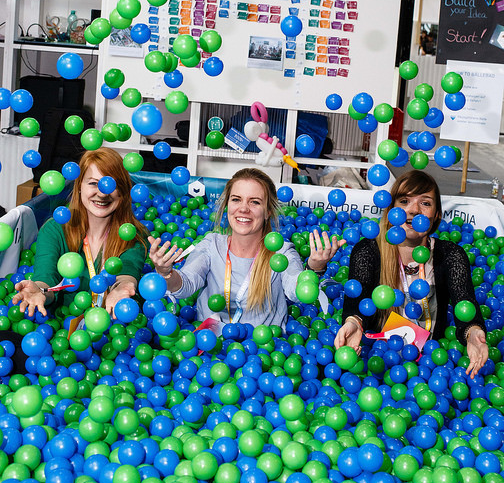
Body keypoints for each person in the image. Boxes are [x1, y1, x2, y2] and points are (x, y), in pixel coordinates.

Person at [334, 170, 488, 379]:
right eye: (404, 201)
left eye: (425, 203)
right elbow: (357, 304)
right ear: (391, 209)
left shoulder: (450, 255)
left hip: (432, 365)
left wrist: (473, 333)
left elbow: (465, 304)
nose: (414, 210)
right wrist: (353, 322)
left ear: (436, 215)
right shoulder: (368, 251)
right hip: (378, 359)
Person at [148, 168, 343, 329]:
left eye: (254, 202)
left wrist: (314, 267)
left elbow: (296, 291)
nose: (243, 208)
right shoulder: (211, 244)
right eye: (236, 199)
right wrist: (165, 272)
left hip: (264, 355)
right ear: (227, 205)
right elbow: (186, 284)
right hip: (210, 346)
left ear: (268, 212)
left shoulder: (281, 252)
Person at [13, 148, 147, 318]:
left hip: (114, 329)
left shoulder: (132, 233)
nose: (102, 192)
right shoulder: (54, 230)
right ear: (79, 187)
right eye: (93, 183)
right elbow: (46, 278)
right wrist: (39, 290)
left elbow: (127, 271)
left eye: (111, 184)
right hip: (60, 329)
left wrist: (122, 288)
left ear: (123, 190)